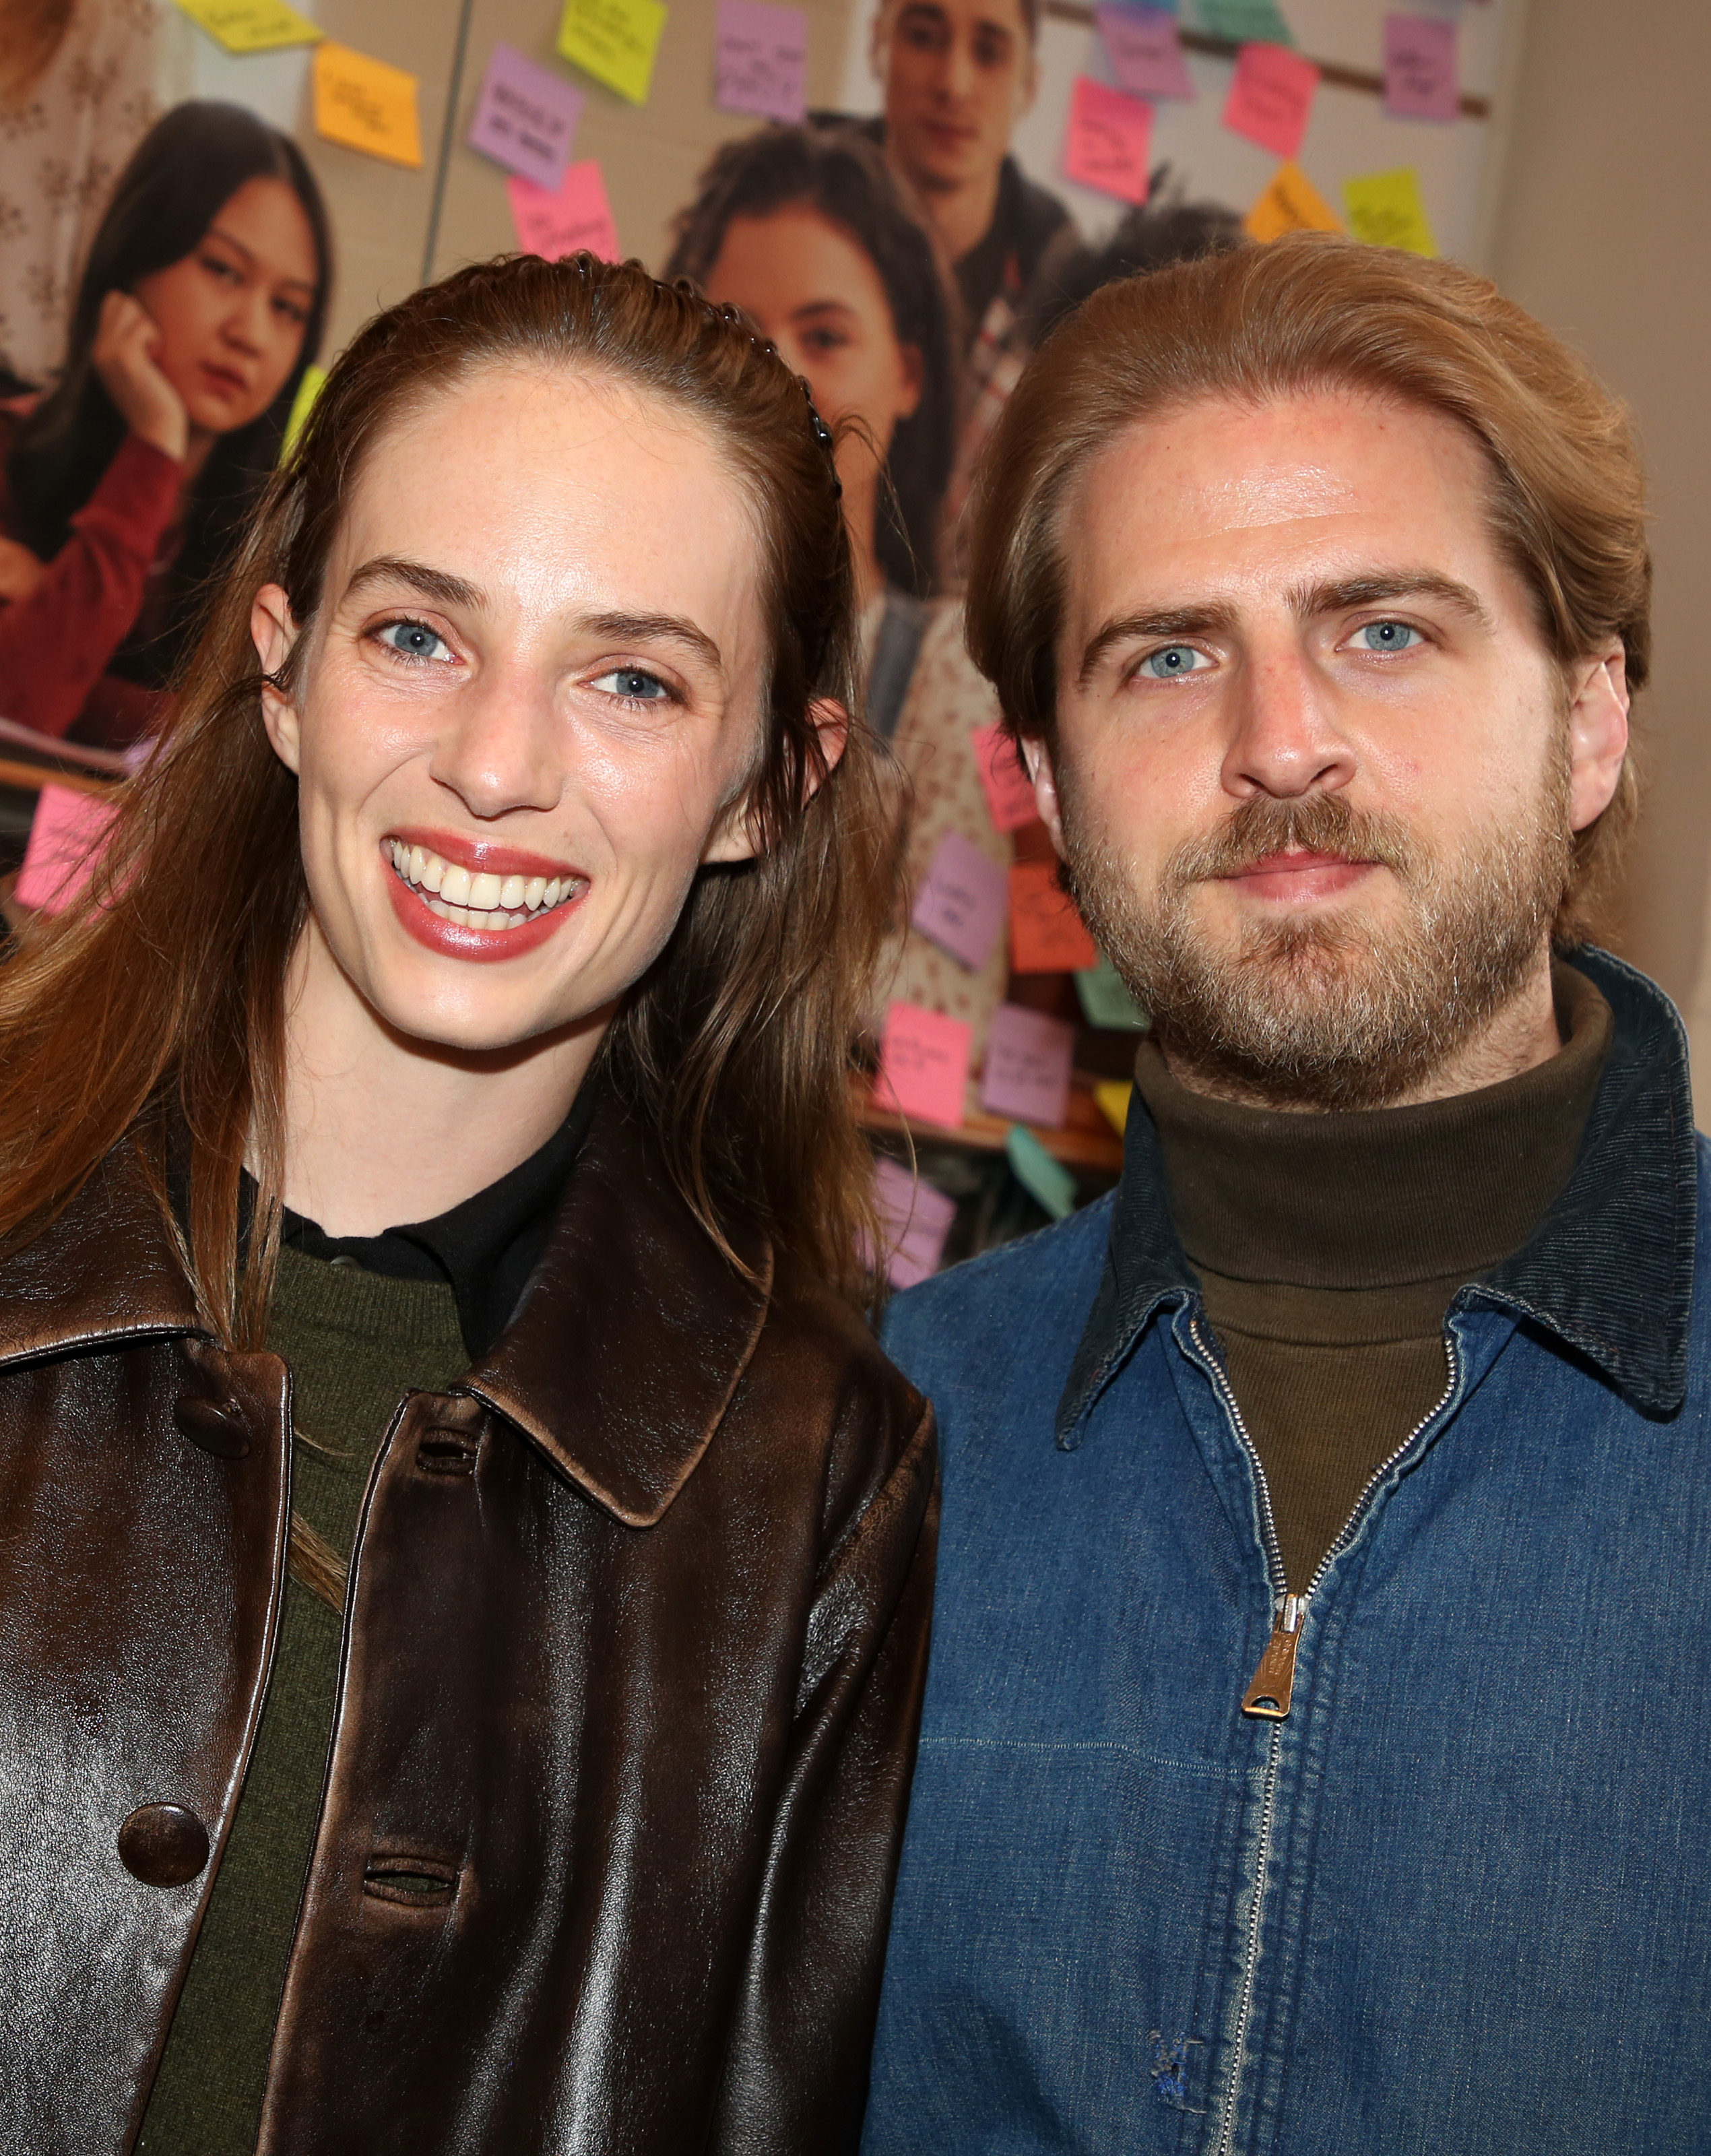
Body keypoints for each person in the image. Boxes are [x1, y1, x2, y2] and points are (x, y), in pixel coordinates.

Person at [0, 252, 936, 2154]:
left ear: (769, 783)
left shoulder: (820, 1487)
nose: (494, 769)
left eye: (631, 680)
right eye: (418, 637)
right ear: (283, 668)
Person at [860, 234, 1711, 2153]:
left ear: (1588, 716)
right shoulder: (877, 1441)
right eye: (1166, 657)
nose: (1274, 745)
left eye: (1381, 631)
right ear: (1044, 784)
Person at [0, 100, 331, 746]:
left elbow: (242, 754)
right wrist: (155, 445)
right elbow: (20, 710)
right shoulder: (10, 456)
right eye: (223, 271)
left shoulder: (278, 547)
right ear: (135, 255)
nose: (251, 334)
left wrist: (62, 622)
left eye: (288, 308)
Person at [862, 0, 1076, 581]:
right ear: (878, 45)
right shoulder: (783, 213)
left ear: (1029, 85)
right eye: (923, 36)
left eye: (989, 52)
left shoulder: (1065, 292)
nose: (954, 84)